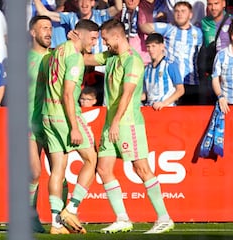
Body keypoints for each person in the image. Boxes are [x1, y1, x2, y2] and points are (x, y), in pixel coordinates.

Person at [84, 19, 174, 234]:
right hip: (111, 123)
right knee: (103, 169)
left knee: (141, 168)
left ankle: (164, 217)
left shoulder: (132, 60)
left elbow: (127, 94)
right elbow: (86, 58)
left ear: (116, 37)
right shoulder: (110, 56)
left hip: (127, 123)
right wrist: (74, 44)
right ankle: (122, 218)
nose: (104, 43)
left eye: (105, 39)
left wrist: (114, 123)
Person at [38, 19, 99, 234]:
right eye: (92, 38)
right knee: (92, 159)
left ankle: (56, 223)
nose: (94, 43)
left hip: (47, 114)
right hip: (65, 115)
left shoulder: (57, 52)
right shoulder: (75, 58)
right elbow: (67, 93)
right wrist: (74, 126)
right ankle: (71, 208)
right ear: (79, 35)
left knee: (58, 170)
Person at [27, 15, 70, 234]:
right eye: (43, 28)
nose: (48, 32)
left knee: (59, 172)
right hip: (30, 124)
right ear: (33, 32)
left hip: (53, 123)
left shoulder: (56, 57)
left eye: (50, 28)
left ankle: (62, 219)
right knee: (34, 173)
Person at [140, 1, 203, 105]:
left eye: (183, 11)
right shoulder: (169, 28)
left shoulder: (198, 32)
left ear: (190, 15)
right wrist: (155, 35)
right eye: (177, 11)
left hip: (191, 81)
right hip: (172, 83)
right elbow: (144, 26)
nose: (179, 13)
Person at [142, 33, 184, 109]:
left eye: (154, 46)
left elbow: (180, 90)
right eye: (148, 46)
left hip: (167, 109)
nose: (150, 49)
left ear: (162, 46)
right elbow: (145, 94)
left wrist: (164, 103)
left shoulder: (170, 65)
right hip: (150, 109)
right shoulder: (147, 69)